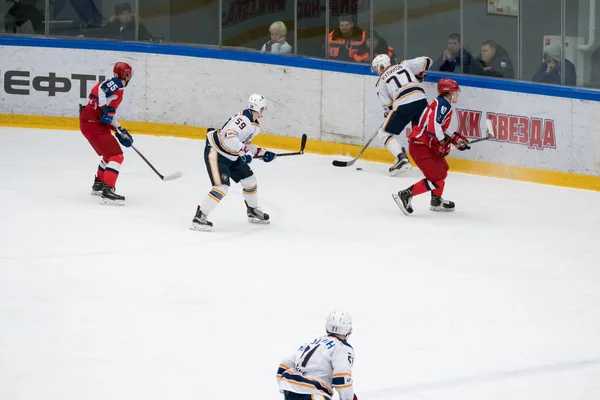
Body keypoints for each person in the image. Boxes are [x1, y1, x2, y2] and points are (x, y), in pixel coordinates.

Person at [191, 94, 276, 232]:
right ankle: (199, 218)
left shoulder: (255, 125)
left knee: (250, 180)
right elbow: (229, 137)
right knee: (221, 187)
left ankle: (252, 210)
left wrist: (262, 153)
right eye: (263, 108)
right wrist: (243, 151)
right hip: (217, 153)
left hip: (232, 155)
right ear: (259, 108)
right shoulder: (244, 119)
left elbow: (243, 144)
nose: (263, 111)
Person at [392, 78, 470, 215]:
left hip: (423, 144)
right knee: (438, 176)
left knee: (443, 169)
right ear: (448, 93)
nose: (457, 94)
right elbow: (434, 127)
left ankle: (436, 200)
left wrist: (455, 139)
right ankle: (406, 194)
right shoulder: (442, 105)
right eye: (455, 92)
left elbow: (440, 127)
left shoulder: (442, 103)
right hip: (420, 146)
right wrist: (442, 143)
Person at [79, 62, 134, 205]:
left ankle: (99, 184)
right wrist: (105, 109)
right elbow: (102, 91)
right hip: (93, 123)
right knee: (117, 156)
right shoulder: (117, 83)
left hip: (91, 122)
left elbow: (109, 113)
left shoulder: (115, 85)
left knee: (109, 155)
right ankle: (108, 191)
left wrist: (119, 129)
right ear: (126, 74)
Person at [372, 54, 432, 176]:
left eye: (376, 68)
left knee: (384, 132)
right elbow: (427, 61)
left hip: (404, 103)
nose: (376, 72)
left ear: (381, 66)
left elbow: (388, 109)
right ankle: (431, 163)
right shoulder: (404, 64)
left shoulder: (381, 82)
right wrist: (418, 74)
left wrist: (388, 115)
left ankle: (402, 159)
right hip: (421, 100)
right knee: (419, 135)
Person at [276, 311, 357, 400]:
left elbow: (284, 365)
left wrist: (290, 387)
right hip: (314, 393)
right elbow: (341, 378)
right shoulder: (343, 347)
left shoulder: (312, 342)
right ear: (348, 329)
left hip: (290, 390)